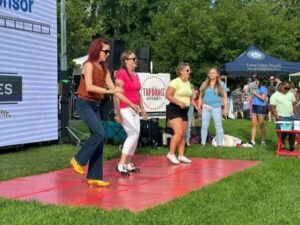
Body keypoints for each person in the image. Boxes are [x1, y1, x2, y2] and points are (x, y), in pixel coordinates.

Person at [70, 38, 139, 187]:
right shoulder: (88, 65)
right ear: (96, 50)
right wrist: (110, 90)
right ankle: (78, 160)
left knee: (99, 138)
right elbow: (89, 87)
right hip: (84, 104)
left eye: (109, 51)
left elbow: (116, 91)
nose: (108, 54)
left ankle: (94, 176)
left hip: (95, 105)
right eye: (105, 51)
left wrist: (132, 104)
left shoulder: (104, 69)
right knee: (99, 133)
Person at [114, 51, 148, 175]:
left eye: (135, 58)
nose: (135, 61)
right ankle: (121, 164)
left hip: (135, 109)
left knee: (136, 135)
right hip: (124, 108)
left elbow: (138, 94)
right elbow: (116, 95)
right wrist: (117, 113)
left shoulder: (135, 75)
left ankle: (127, 163)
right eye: (133, 59)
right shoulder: (121, 74)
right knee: (132, 134)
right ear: (126, 61)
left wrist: (142, 110)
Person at [166, 62, 193, 164]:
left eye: (189, 70)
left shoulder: (188, 83)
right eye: (187, 70)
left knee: (183, 133)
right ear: (181, 71)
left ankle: (181, 155)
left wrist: (195, 103)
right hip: (174, 109)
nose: (189, 72)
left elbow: (189, 96)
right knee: (178, 133)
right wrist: (179, 102)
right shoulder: (175, 82)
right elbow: (168, 95)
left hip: (184, 110)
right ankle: (171, 153)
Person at [197, 67, 227, 147]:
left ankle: (220, 144)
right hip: (205, 107)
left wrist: (225, 109)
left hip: (216, 108)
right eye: (210, 73)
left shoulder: (221, 84)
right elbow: (200, 97)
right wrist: (199, 108)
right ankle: (203, 143)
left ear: (217, 74)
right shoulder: (204, 84)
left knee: (218, 125)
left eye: (213, 73)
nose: (211, 74)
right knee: (204, 125)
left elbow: (225, 97)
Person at [270, 81, 297, 151]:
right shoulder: (275, 95)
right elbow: (272, 107)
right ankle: (282, 147)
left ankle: (292, 147)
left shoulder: (290, 94)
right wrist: (276, 117)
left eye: (288, 89)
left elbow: (294, 104)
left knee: (293, 133)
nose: (287, 90)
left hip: (291, 117)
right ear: (280, 86)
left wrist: (295, 115)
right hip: (281, 117)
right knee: (282, 134)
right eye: (286, 88)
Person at [249, 77, 267, 146]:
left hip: (260, 107)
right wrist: (251, 97)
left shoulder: (263, 88)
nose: (255, 81)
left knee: (261, 125)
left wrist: (255, 94)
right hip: (254, 106)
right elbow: (254, 96)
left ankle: (263, 141)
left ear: (259, 81)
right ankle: (252, 140)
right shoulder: (257, 88)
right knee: (253, 124)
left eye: (256, 80)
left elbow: (263, 98)